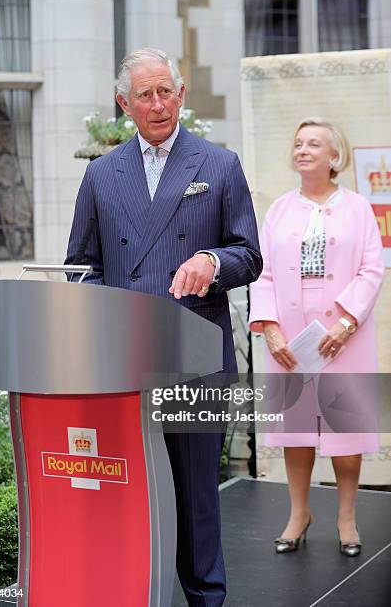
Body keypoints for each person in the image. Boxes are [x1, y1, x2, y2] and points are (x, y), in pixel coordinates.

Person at [66, 48, 262, 606]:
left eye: (166, 92)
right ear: (123, 103)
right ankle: (132, 591)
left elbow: (249, 255)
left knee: (198, 493)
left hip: (195, 355)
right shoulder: (102, 175)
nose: (158, 105)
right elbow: (82, 266)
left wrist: (214, 263)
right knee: (126, 491)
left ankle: (206, 598)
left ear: (182, 94)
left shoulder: (219, 165)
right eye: (144, 95)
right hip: (123, 360)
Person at [249, 117, 384, 557]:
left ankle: (346, 516)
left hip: (343, 336)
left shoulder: (358, 208)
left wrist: (346, 323)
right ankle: (298, 513)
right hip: (291, 338)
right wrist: (270, 328)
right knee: (297, 429)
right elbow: (262, 273)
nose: (303, 150)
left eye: (313, 144)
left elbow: (371, 269)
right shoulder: (280, 210)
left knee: (344, 430)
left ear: (334, 157)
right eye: (298, 143)